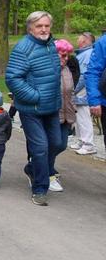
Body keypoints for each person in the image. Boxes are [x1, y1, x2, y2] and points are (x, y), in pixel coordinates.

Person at [5, 11, 62, 206]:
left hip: (52, 107)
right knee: (40, 148)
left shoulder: (51, 45)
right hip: (32, 109)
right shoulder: (23, 48)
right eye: (39, 26)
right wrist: (34, 96)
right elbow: (12, 78)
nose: (44, 29)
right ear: (31, 28)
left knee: (57, 143)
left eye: (47, 26)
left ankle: (32, 169)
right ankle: (39, 189)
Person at [48, 39, 76, 192]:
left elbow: (70, 94)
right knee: (54, 144)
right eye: (62, 55)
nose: (65, 59)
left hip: (67, 115)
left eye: (67, 56)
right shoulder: (48, 69)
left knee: (62, 145)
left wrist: (73, 113)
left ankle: (36, 165)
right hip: (52, 115)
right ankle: (49, 175)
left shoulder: (67, 70)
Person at [72, 32, 97, 154]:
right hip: (79, 89)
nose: (77, 39)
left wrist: (74, 89)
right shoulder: (83, 54)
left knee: (83, 117)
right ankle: (81, 140)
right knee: (78, 116)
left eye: (80, 37)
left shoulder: (87, 54)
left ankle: (88, 144)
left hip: (83, 90)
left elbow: (84, 75)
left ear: (85, 40)